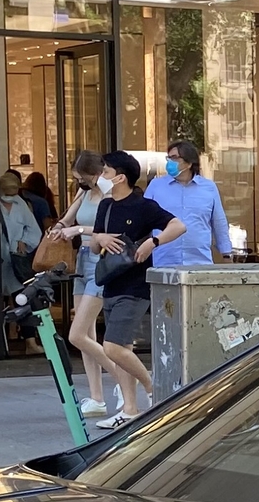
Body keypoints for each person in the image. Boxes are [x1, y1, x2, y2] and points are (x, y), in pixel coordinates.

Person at [80, 150, 162, 426]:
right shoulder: (106, 206)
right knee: (123, 346)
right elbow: (94, 246)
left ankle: (153, 387)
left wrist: (154, 242)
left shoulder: (143, 206)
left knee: (113, 347)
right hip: (111, 283)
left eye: (106, 172)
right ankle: (129, 409)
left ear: (120, 177)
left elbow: (178, 225)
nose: (102, 176)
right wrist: (98, 236)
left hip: (134, 285)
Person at [48, 149, 114, 417]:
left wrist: (78, 230)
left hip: (101, 258)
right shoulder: (84, 192)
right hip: (83, 257)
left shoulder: (110, 193)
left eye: (83, 177)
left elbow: (108, 229)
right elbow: (68, 216)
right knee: (87, 335)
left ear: (95, 173)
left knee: (78, 333)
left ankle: (126, 374)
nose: (81, 181)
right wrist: (60, 226)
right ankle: (97, 396)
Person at [147, 137, 231, 267]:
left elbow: (219, 223)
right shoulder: (156, 186)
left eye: (174, 158)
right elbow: (143, 219)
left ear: (189, 163)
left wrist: (226, 254)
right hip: (164, 262)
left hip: (200, 263)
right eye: (168, 158)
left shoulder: (209, 188)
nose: (170, 162)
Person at [0, 169, 45, 350]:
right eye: (7, 193)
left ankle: (30, 340)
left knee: (22, 299)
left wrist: (25, 241)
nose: (10, 197)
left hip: (17, 260)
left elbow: (34, 230)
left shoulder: (20, 204)